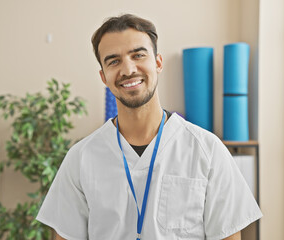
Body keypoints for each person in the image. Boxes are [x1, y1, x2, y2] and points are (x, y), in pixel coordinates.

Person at [36, 14, 262, 240]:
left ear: (158, 63)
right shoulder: (80, 158)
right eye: (113, 61)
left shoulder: (208, 150)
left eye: (138, 55)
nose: (128, 69)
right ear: (103, 77)